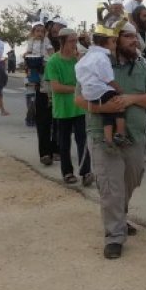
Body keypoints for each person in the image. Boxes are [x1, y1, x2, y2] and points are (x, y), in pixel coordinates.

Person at [74, 20, 146, 259]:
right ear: (114, 40)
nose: (135, 41)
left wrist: (131, 99)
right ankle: (114, 235)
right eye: (129, 37)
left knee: (131, 180)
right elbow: (79, 100)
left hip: (135, 136)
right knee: (112, 188)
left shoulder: (141, 67)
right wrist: (103, 109)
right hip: (103, 138)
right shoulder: (96, 64)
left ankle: (119, 218)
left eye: (135, 37)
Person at [45, 28, 93, 186]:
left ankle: (85, 172)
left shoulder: (79, 59)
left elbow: (87, 79)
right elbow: (56, 87)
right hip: (63, 109)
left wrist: (81, 62)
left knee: (83, 140)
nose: (75, 44)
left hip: (79, 107)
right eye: (72, 41)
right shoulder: (53, 61)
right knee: (64, 143)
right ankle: (67, 172)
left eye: (76, 41)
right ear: (62, 42)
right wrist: (76, 89)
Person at [75, 28, 129, 149]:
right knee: (120, 104)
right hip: (99, 89)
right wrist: (119, 89)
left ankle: (108, 139)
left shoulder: (87, 56)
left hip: (88, 92)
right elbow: (108, 78)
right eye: (114, 42)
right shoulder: (102, 57)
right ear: (106, 43)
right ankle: (120, 133)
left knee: (107, 112)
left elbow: (78, 70)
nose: (115, 45)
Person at [25, 20, 57, 165]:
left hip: (52, 82)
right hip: (40, 81)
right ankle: (45, 153)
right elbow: (28, 54)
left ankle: (55, 150)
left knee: (56, 121)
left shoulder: (47, 42)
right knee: (43, 120)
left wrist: (52, 61)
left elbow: (51, 54)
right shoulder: (31, 42)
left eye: (41, 31)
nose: (39, 33)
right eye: (36, 31)